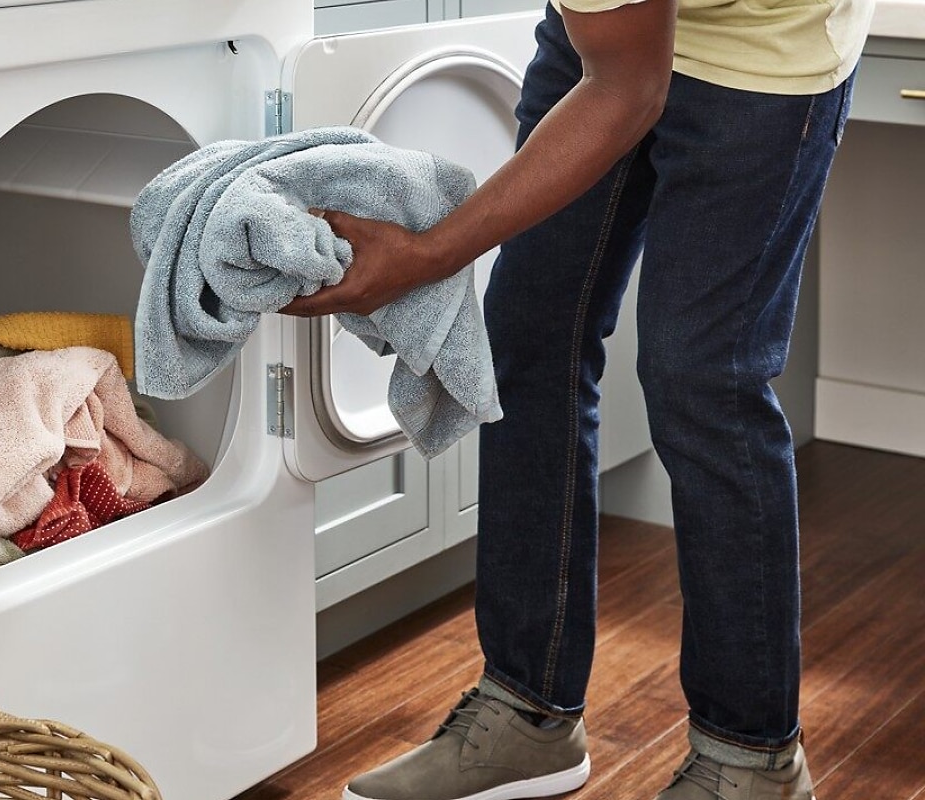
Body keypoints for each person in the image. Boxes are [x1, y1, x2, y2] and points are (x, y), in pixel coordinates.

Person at [280, 0, 874, 798]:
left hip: (764, 50)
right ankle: (528, 714)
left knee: (703, 379)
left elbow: (629, 89)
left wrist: (428, 253)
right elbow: (619, 69)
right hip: (608, 38)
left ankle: (751, 759)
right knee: (529, 336)